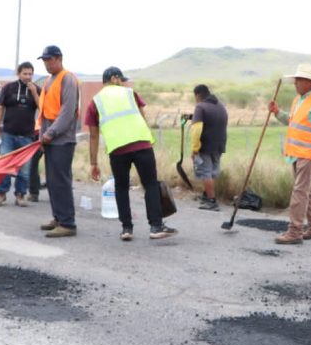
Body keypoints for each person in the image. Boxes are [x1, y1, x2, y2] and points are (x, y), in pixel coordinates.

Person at [87, 67, 177, 241]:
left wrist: (93, 163)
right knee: (150, 184)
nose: (123, 83)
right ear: (114, 78)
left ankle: (126, 229)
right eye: (122, 80)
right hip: (141, 144)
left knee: (121, 187)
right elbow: (142, 118)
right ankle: (156, 226)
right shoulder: (130, 93)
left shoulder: (95, 102)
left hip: (117, 149)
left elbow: (93, 135)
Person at [267, 63, 311, 245]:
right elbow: (292, 121)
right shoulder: (298, 100)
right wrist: (277, 112)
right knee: (306, 191)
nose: (296, 83)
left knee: (299, 192)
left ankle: (294, 232)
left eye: (300, 79)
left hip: (309, 155)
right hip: (296, 154)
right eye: (296, 79)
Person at [36, 45, 79, 238]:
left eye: (50, 60)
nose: (47, 63)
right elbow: (44, 112)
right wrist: (42, 135)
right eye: (44, 60)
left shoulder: (68, 79)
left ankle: (68, 223)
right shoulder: (48, 80)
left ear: (59, 58)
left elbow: (67, 112)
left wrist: (51, 133)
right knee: (52, 182)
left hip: (62, 140)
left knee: (61, 182)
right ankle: (58, 217)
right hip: (50, 139)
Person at [0, 62, 40, 206]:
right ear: (19, 74)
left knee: (24, 169)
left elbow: (43, 108)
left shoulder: (37, 89)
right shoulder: (9, 88)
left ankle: (20, 195)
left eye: (30, 74)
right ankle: (1, 194)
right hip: (8, 134)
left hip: (27, 136)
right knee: (5, 165)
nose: (28, 76)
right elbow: (0, 108)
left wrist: (34, 93)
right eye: (25, 73)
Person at [189, 84, 228, 211]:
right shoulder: (221, 106)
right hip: (219, 145)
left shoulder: (200, 107)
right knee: (212, 172)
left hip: (205, 146)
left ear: (197, 95)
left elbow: (196, 130)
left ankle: (211, 201)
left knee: (205, 172)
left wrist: (195, 149)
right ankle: (207, 195)